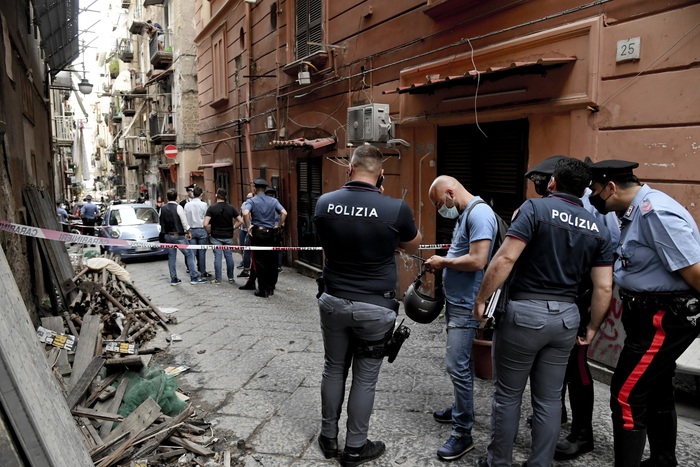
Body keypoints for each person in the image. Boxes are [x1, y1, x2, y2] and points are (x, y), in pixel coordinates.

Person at [472, 157, 614, 467]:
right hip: (566, 319)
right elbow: (604, 287)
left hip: (524, 314)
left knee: (508, 396)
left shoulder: (535, 209)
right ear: (586, 190)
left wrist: (482, 299)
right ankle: (540, 463)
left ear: (552, 183)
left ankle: (499, 462)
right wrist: (592, 328)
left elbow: (505, 259)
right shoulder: (598, 227)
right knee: (549, 400)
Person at [313, 144, 421, 466]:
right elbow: (412, 243)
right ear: (381, 175)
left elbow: (328, 241)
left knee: (333, 367)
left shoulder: (324, 203)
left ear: (349, 169)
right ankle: (355, 447)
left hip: (333, 299)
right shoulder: (395, 208)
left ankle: (328, 438)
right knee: (365, 377)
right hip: (376, 306)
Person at [587, 160, 700, 467]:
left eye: (595, 190)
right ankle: (663, 460)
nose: (592, 196)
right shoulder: (634, 212)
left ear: (611, 187)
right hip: (647, 316)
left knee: (626, 394)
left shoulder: (656, 213)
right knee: (657, 388)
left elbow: (696, 273)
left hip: (662, 318)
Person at [422, 175, 497, 461]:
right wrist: (446, 261)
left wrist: (444, 262)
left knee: (457, 366)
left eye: (441, 203)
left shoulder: (479, 214)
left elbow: (478, 260)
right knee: (458, 365)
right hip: (457, 301)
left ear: (451, 193)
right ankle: (459, 410)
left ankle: (463, 432)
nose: (442, 209)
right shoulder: (467, 214)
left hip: (467, 305)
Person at [554, 158, 621, 461]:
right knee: (567, 366)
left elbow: (610, 250)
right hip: (577, 292)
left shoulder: (594, 209)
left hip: (584, 293)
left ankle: (583, 435)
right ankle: (567, 420)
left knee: (578, 366)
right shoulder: (584, 205)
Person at [242, 178, 287, 297]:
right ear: (266, 189)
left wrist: (248, 227)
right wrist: (277, 225)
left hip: (258, 233)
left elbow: (245, 213)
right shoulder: (273, 201)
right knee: (271, 261)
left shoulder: (252, 201)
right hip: (271, 233)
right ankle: (270, 287)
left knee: (259, 261)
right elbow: (284, 213)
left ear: (255, 189)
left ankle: (262, 289)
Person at [159, 188, 206, 286]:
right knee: (189, 254)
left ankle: (174, 279)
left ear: (167, 198)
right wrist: (188, 232)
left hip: (167, 236)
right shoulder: (178, 207)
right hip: (178, 236)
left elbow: (161, 222)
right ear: (176, 197)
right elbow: (184, 222)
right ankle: (194, 277)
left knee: (171, 257)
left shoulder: (162, 208)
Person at [204, 188, 243, 285]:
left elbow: (205, 224)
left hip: (216, 236)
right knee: (229, 256)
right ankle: (230, 278)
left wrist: (209, 232)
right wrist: (233, 228)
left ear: (216, 196)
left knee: (217, 257)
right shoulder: (231, 208)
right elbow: (241, 221)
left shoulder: (211, 208)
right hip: (228, 235)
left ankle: (218, 279)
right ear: (226, 196)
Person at [184, 186, 212, 279]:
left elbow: (185, 218)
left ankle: (193, 271)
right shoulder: (204, 205)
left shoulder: (187, 205)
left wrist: (186, 231)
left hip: (191, 230)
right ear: (201, 194)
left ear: (192, 194)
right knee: (202, 252)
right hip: (201, 229)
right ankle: (203, 271)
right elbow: (206, 217)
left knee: (192, 252)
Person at [237, 192, 253, 278]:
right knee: (242, 247)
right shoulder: (244, 204)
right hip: (243, 229)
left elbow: (249, 216)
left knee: (248, 249)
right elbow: (241, 214)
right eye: (247, 198)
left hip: (250, 229)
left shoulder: (254, 204)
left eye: (250, 198)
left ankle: (247, 267)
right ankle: (244, 262)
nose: (248, 199)